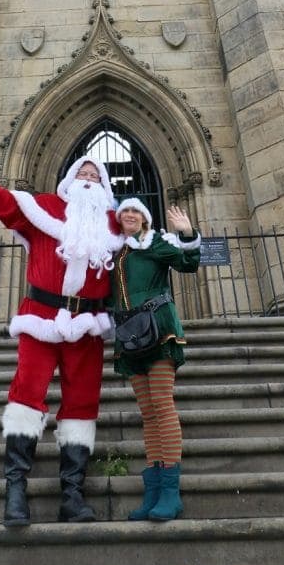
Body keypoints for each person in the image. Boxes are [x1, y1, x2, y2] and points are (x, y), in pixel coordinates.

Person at [0, 147, 123, 527]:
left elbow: (145, 243)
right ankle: (15, 489)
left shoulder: (112, 224)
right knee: (27, 395)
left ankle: (72, 494)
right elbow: (8, 204)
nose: (90, 180)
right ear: (70, 180)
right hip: (41, 318)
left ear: (105, 186)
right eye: (84, 174)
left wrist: (187, 239)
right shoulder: (43, 207)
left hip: (88, 325)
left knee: (82, 404)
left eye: (96, 177)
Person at [110, 197, 202, 522]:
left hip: (159, 330)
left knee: (162, 405)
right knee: (148, 414)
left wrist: (187, 234)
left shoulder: (155, 242)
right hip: (130, 337)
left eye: (136, 210)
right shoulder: (117, 253)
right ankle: (152, 490)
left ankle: (169, 493)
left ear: (145, 218)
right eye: (125, 212)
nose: (130, 215)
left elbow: (187, 264)